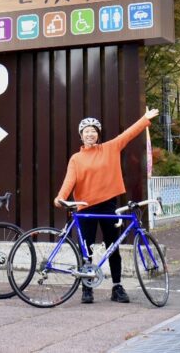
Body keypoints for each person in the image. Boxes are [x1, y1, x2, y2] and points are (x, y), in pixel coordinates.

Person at [55, 107, 160, 304]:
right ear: (81, 136)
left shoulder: (110, 148)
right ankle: (87, 287)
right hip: (85, 207)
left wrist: (145, 118)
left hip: (108, 205)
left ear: (98, 134)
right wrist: (60, 197)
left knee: (113, 247)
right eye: (86, 131)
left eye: (93, 131)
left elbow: (128, 134)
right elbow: (69, 181)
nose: (90, 134)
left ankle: (117, 287)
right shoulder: (76, 159)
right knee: (86, 249)